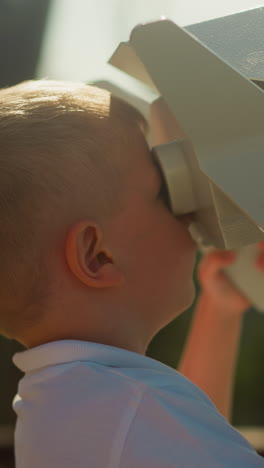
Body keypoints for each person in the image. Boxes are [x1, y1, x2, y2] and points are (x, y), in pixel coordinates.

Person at [0, 79, 263, 467]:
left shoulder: (71, 404)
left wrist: (219, 311)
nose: (187, 212)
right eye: (164, 193)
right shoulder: (133, 410)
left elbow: (190, 436)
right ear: (98, 256)